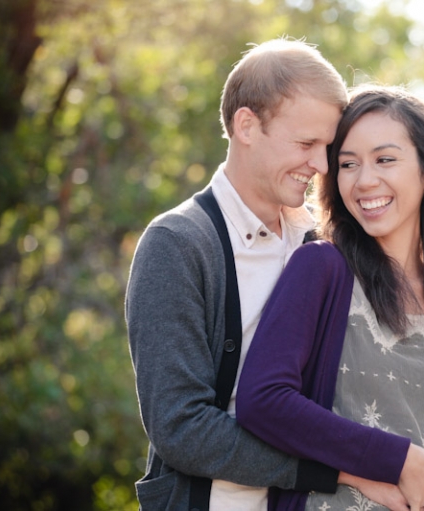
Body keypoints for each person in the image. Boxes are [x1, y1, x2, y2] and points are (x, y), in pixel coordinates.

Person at [126, 39, 399, 511]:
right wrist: (331, 472)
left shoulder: (327, 245)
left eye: (328, 148)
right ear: (246, 125)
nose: (320, 166)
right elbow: (182, 429)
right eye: (306, 143)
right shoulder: (178, 245)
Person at [235, 85, 424, 511]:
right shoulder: (322, 268)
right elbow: (262, 401)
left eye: (385, 159)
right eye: (348, 164)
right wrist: (399, 460)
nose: (365, 180)